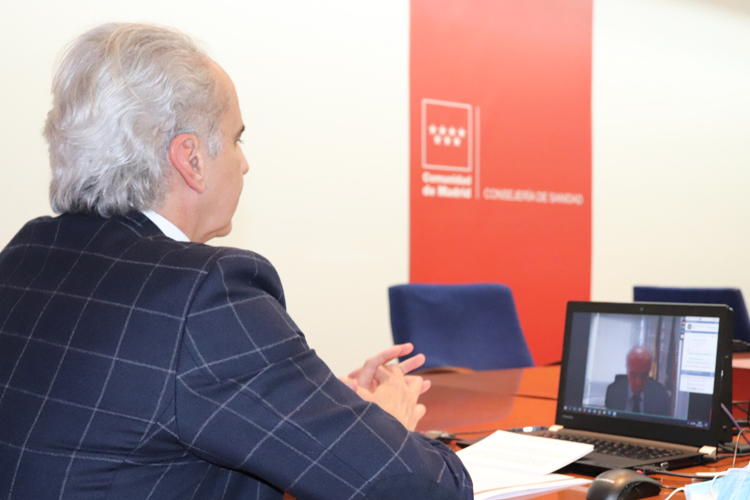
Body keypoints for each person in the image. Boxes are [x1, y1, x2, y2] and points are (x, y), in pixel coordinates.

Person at [0, 23, 472, 500]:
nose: (243, 163)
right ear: (191, 159)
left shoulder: (23, 257)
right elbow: (414, 486)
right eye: (236, 139)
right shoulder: (201, 294)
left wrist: (324, 410)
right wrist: (385, 425)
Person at [605, 345, 669, 416]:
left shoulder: (659, 394)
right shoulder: (614, 392)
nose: (638, 383)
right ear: (627, 369)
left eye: (643, 376)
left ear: (649, 370)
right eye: (633, 375)